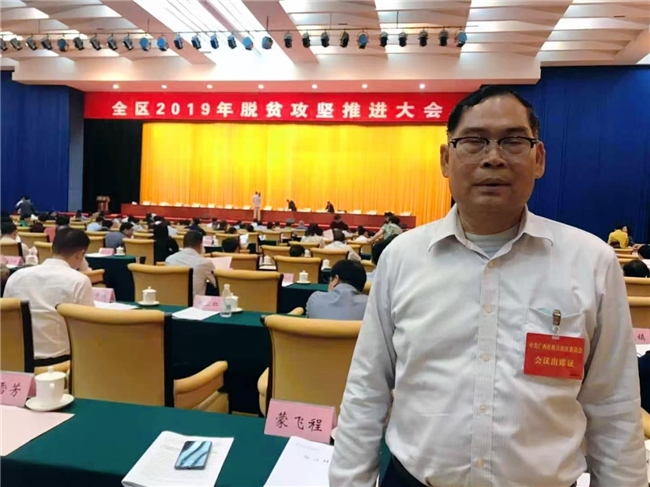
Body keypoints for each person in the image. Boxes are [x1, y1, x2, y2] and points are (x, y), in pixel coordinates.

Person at [330, 86, 646, 486]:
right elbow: (367, 389)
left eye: (513, 141)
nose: (493, 157)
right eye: (474, 141)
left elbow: (614, 408)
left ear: (539, 158)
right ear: (446, 159)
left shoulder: (591, 263)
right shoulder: (401, 258)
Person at [4, 228, 94, 366]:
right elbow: (87, 329)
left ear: (53, 249)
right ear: (80, 254)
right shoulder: (79, 281)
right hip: (60, 361)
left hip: (15, 360)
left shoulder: (16, 276)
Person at [165, 230, 216, 296]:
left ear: (183, 244)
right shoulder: (204, 263)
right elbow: (217, 284)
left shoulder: (169, 260)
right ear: (201, 245)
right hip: (195, 301)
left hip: (173, 299)